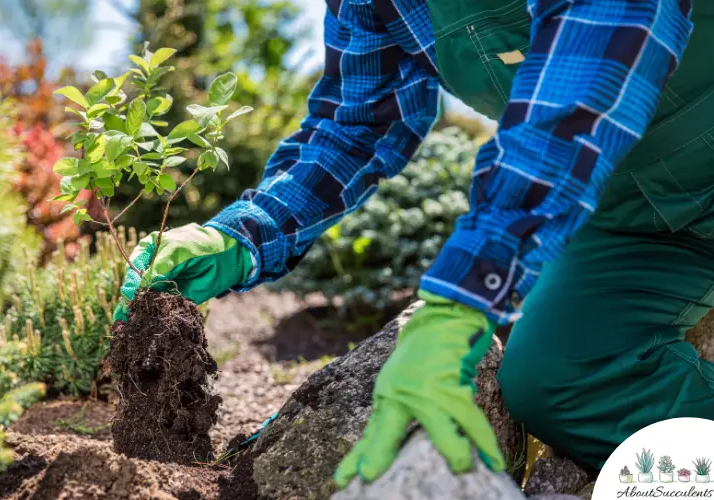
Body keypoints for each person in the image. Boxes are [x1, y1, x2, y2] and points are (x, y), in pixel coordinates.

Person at [114, 0, 713, 488]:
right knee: (554, 379)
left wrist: (463, 298)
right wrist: (241, 235)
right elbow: (354, 123)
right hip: (632, 218)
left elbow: (583, 86)